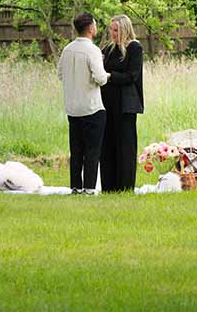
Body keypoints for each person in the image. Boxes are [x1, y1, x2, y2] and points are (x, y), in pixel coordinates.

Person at [57, 12, 109, 194]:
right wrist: (108, 75)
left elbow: (60, 74)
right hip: (92, 108)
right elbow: (101, 79)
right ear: (90, 28)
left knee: (76, 151)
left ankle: (75, 187)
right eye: (94, 25)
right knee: (92, 152)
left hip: (72, 108)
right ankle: (88, 187)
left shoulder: (67, 49)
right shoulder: (92, 50)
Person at [100, 14, 144, 192]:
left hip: (125, 104)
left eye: (116, 30)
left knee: (125, 145)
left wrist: (110, 77)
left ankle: (125, 186)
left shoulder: (134, 47)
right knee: (107, 144)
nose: (113, 33)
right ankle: (108, 186)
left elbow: (132, 76)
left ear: (125, 29)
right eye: (111, 29)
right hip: (107, 102)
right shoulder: (108, 49)